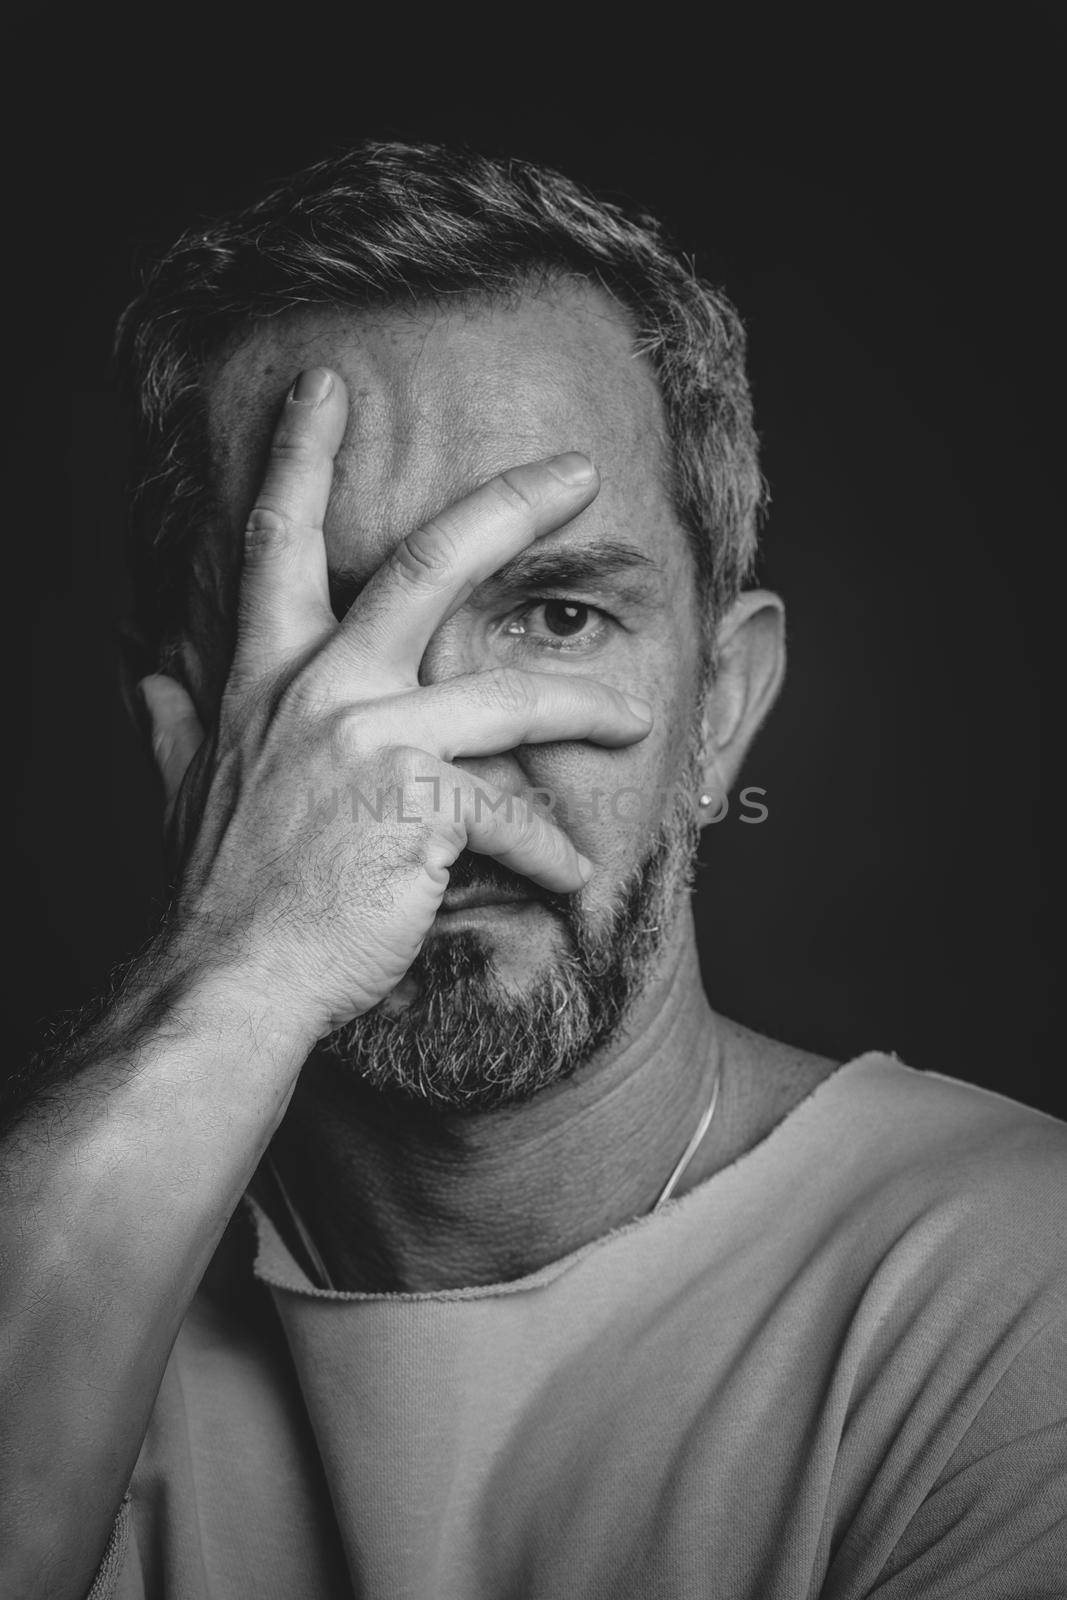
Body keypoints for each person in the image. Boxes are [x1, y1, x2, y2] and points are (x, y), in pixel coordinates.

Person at [2, 142, 1064, 1600]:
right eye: (329, 642)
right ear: (193, 735)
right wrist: (232, 975)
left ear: (720, 712)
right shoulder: (61, 1274)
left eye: (557, 616)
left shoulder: (1018, 1286)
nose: (431, 768)